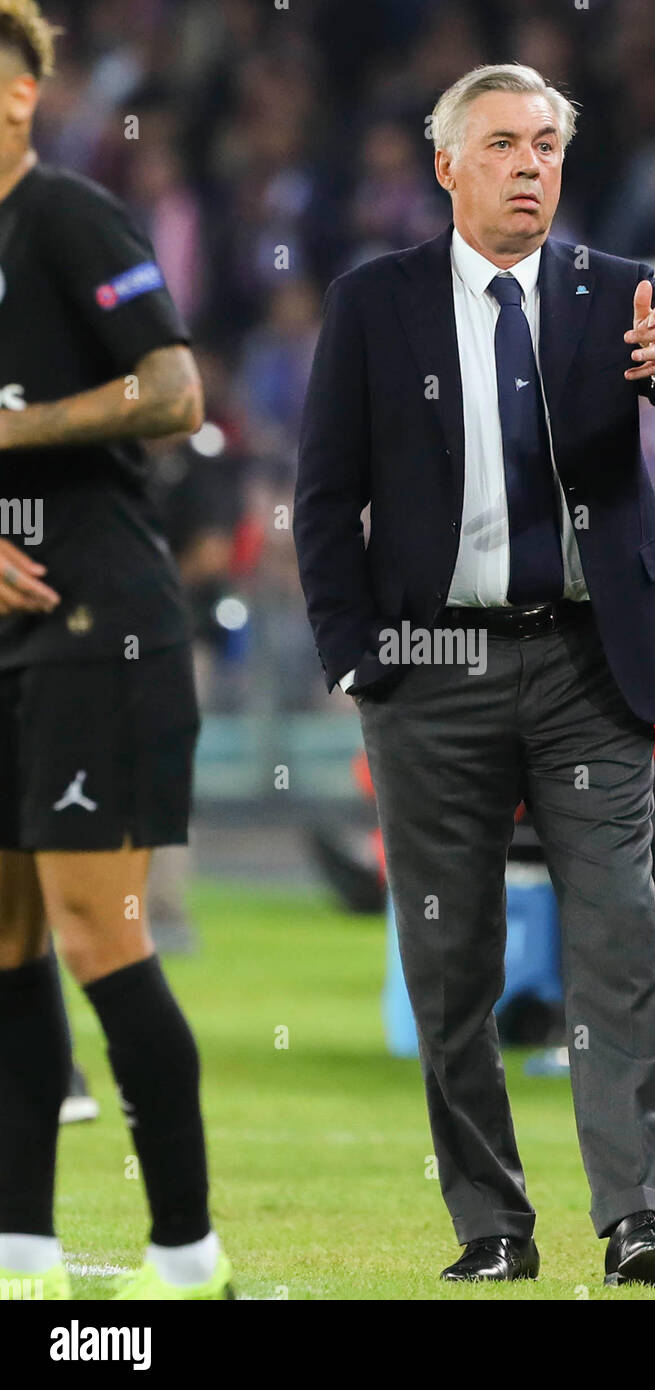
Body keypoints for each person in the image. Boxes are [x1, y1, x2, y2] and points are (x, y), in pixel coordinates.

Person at [295, 62, 655, 1286]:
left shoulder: (617, 293)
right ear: (446, 166)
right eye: (501, 144)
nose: (530, 164)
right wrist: (352, 659)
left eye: (545, 143)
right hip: (428, 677)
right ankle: (492, 1224)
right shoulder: (372, 303)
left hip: (588, 664)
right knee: (451, 965)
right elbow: (323, 502)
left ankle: (635, 1216)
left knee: (620, 943)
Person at [0, 0, 232, 1299]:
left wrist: (11, 433)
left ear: (24, 91)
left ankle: (186, 1249)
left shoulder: (69, 215)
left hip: (102, 625)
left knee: (103, 933)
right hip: (6, 632)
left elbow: (174, 392)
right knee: (4, 939)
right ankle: (21, 1246)